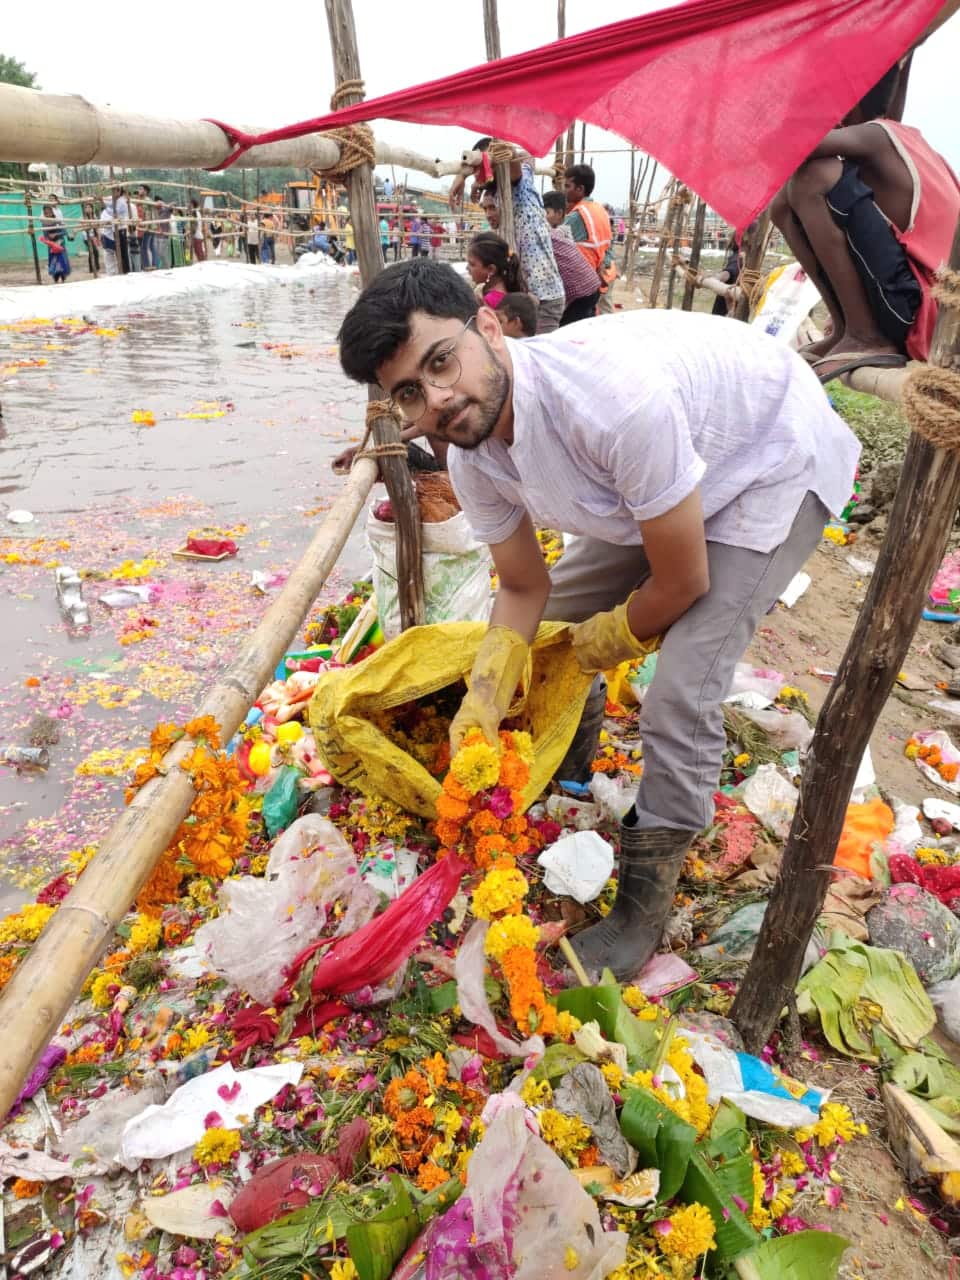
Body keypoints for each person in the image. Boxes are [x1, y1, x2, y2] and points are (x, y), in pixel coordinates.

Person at [337, 259, 860, 981]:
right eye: (409, 393)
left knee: (682, 689)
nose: (439, 399)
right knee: (551, 624)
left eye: (440, 362)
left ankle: (646, 903)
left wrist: (609, 640)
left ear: (488, 325)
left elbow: (682, 580)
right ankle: (572, 760)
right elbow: (523, 587)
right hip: (665, 478)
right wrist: (484, 699)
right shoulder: (470, 453)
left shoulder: (611, 402)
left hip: (766, 454)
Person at [771, 63, 960, 383]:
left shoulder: (877, 137)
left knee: (811, 177)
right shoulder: (898, 138)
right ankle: (848, 327)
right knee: (781, 202)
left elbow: (789, 146)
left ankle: (866, 334)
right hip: (924, 313)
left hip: (921, 315)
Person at [451, 139, 565, 333]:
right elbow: (528, 159)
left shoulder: (517, 188)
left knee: (533, 355)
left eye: (487, 164)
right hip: (536, 296)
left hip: (543, 297)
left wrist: (508, 153)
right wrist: (463, 177)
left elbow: (515, 163)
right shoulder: (503, 192)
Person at [564, 164, 618, 314]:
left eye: (568, 186)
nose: (564, 190)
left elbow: (556, 243)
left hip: (584, 280)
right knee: (601, 313)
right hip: (601, 272)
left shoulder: (577, 216)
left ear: (580, 189)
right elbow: (608, 244)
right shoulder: (599, 209)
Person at [543, 191, 601, 324]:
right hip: (591, 286)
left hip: (581, 292)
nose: (542, 218)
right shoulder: (563, 232)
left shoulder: (547, 235)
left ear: (559, 213)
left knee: (568, 330)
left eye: (546, 213)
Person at [466, 232, 524, 309]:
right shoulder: (504, 288)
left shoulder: (490, 301)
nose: (467, 268)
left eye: (472, 264)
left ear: (491, 269)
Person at [39, 205, 71, 283]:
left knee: (62, 259)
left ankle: (63, 276)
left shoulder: (58, 221)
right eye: (46, 212)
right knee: (54, 260)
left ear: (52, 212)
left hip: (60, 243)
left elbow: (64, 231)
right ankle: (55, 277)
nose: (47, 213)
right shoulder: (44, 223)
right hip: (51, 244)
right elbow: (45, 235)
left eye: (49, 211)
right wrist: (49, 241)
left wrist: (56, 235)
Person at [138, 186, 159, 270]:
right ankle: (155, 264)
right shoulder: (146, 200)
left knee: (144, 247)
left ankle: (147, 265)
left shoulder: (146, 200)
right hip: (152, 225)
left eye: (141, 189)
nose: (139, 191)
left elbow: (147, 213)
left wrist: (146, 225)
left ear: (145, 191)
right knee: (151, 246)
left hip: (149, 226)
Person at [113, 187, 130, 273]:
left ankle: (126, 271)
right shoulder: (115, 201)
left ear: (119, 191)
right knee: (118, 251)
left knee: (123, 251)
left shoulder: (122, 202)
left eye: (115, 191)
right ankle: (122, 270)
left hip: (121, 228)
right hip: (116, 229)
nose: (113, 193)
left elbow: (115, 213)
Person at [81, 202, 101, 276]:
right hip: (86, 237)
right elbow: (82, 226)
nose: (88, 209)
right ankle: (94, 268)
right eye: (86, 208)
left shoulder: (94, 217)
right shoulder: (83, 217)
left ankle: (93, 267)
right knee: (94, 251)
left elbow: (97, 227)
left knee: (93, 251)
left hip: (93, 236)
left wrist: (98, 237)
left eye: (89, 207)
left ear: (92, 209)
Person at [99, 198, 118, 275]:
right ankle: (111, 274)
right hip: (107, 236)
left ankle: (116, 273)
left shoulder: (116, 211)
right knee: (108, 257)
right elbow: (103, 224)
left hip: (116, 236)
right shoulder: (104, 212)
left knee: (117, 258)